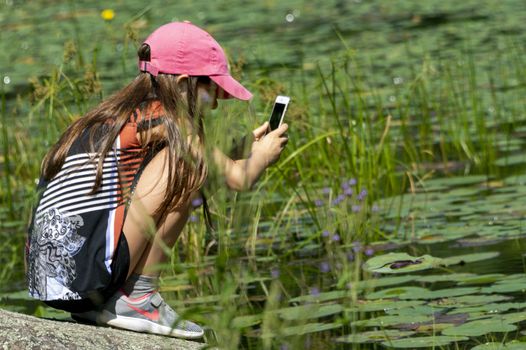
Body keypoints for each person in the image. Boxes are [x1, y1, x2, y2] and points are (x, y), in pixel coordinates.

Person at [25, 21, 289, 339]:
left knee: (188, 161)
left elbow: (212, 166)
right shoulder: (169, 120)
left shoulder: (121, 114)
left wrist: (245, 146)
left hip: (55, 278)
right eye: (212, 92)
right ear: (181, 84)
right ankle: (138, 297)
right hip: (86, 274)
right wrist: (262, 157)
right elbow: (237, 178)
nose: (217, 104)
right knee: (185, 165)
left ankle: (115, 300)